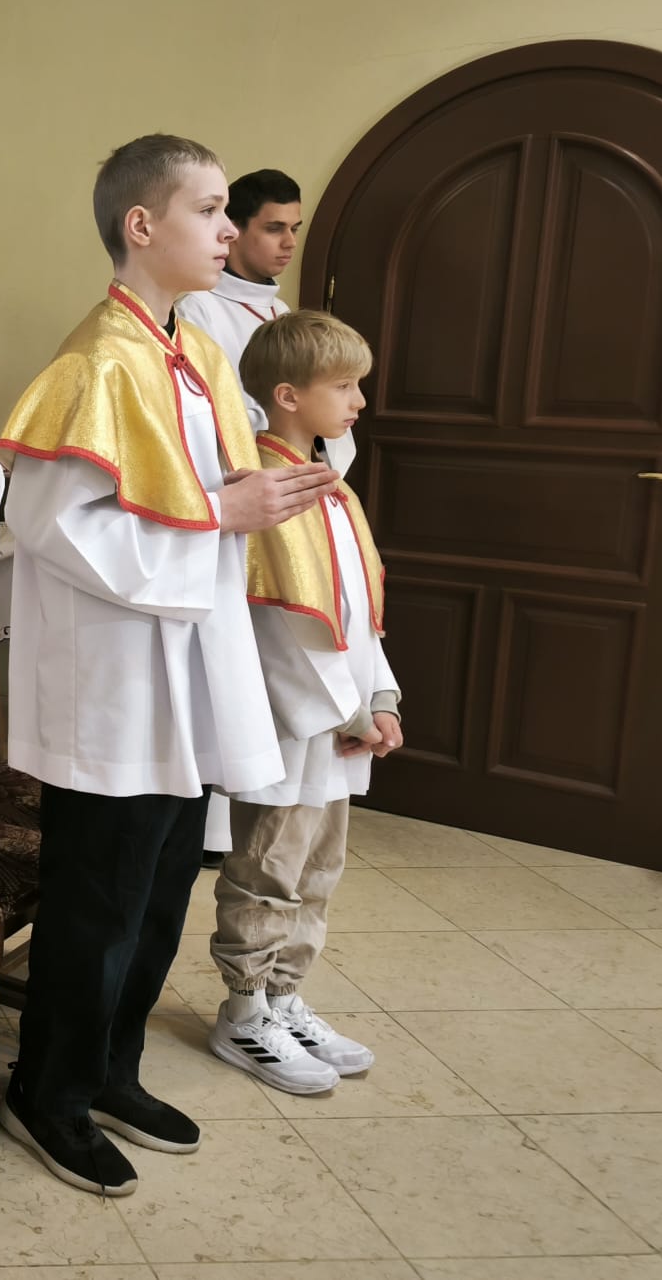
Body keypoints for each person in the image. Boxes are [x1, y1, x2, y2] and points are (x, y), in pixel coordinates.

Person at [0, 134, 339, 1196]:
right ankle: (46, 1091)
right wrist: (221, 515)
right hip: (113, 688)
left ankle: (112, 1070)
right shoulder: (94, 362)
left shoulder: (193, 353)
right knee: (94, 904)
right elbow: (50, 522)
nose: (227, 230)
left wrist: (253, 499)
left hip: (183, 677)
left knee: (154, 901)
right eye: (209, 208)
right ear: (140, 225)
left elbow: (203, 489)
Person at [209, 310, 401, 1093]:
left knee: (318, 868)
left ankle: (284, 998)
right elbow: (272, 630)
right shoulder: (265, 493)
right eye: (344, 386)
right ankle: (243, 1012)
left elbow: (354, 612)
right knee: (266, 870)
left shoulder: (331, 490)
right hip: (295, 725)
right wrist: (345, 711)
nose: (358, 401)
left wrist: (380, 695)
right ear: (286, 396)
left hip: (343, 724)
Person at [176, 169, 322, 869]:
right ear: (233, 230)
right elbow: (225, 414)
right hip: (239, 500)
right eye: (273, 227)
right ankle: (216, 825)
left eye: (294, 228)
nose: (287, 242)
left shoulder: (279, 310)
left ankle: (269, 801)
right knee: (234, 659)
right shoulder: (199, 311)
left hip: (289, 496)